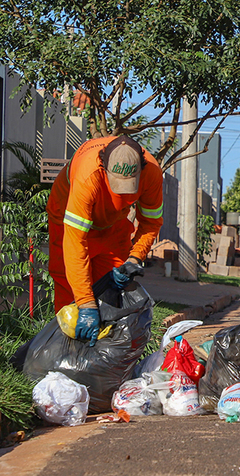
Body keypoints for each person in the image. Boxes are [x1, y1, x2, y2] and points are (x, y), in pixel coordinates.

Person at [46, 135, 164, 345]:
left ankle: (103, 352)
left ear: (141, 169)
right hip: (68, 216)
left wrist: (134, 259)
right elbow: (75, 243)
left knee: (110, 288)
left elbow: (151, 223)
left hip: (113, 222)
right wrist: (85, 303)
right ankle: (65, 348)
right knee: (69, 289)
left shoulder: (152, 173)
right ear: (103, 167)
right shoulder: (88, 175)